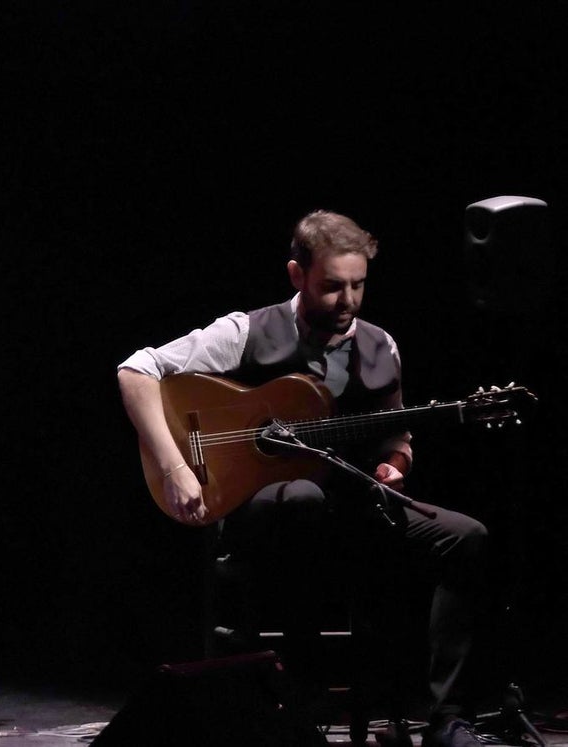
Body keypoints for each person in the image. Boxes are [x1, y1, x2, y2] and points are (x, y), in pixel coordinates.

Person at [116, 210, 486, 747]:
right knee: (302, 498)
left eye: (358, 285)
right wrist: (175, 468)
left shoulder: (381, 346)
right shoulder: (246, 331)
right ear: (297, 275)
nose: (348, 300)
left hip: (353, 506)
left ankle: (445, 717)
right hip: (264, 512)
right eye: (332, 286)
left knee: (467, 537)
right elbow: (136, 370)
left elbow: (396, 434)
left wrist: (396, 464)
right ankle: (298, 699)